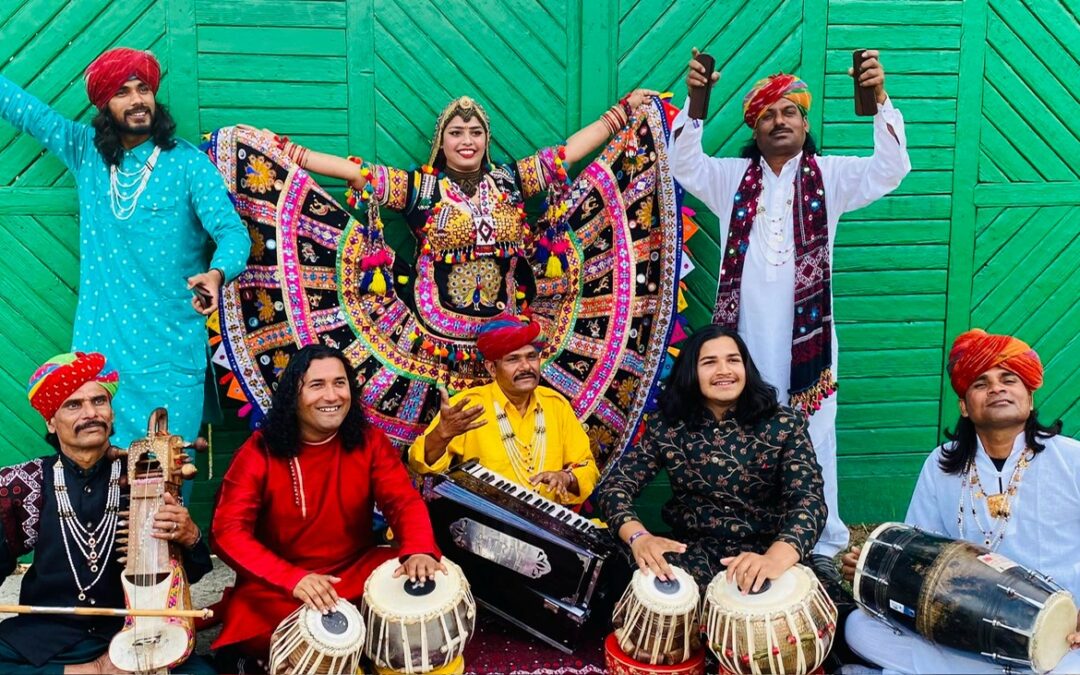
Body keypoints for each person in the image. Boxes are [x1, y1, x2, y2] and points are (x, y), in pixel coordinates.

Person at [204, 88, 684, 470]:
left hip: (508, 335)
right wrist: (279, 148)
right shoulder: (420, 189)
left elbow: (567, 154)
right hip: (435, 341)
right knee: (440, 439)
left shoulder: (513, 182)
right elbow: (354, 172)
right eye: (456, 132)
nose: (467, 140)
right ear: (442, 142)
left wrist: (622, 114)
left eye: (475, 131)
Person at [668, 50, 911, 564]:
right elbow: (682, 163)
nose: (779, 121)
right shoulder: (732, 177)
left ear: (804, 122)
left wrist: (880, 100)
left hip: (810, 346)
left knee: (814, 431)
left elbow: (892, 168)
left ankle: (820, 543)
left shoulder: (832, 176)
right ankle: (752, 535)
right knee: (743, 429)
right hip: (744, 340)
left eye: (789, 112)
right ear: (755, 129)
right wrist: (697, 101)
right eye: (767, 115)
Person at [0, 48, 250, 448]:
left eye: (143, 89)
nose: (137, 100)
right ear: (104, 106)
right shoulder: (86, 152)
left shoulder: (188, 165)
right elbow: (23, 109)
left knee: (165, 475)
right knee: (97, 469)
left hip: (170, 353)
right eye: (122, 92)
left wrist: (217, 273)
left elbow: (233, 233)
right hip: (101, 350)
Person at [842, 329, 1080, 673]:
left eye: (1008, 379)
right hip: (968, 628)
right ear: (965, 406)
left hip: (1061, 631)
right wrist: (872, 564)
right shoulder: (941, 465)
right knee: (859, 630)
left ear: (1029, 399)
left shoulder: (1071, 459)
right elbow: (918, 551)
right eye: (981, 383)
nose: (996, 388)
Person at [211, 344, 443, 668]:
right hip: (283, 587)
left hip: (353, 572)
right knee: (253, 610)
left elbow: (402, 500)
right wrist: (293, 579)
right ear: (294, 395)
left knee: (416, 572)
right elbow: (227, 532)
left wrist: (417, 548)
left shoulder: (369, 440)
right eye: (317, 385)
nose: (332, 396)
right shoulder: (259, 451)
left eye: (340, 383)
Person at [0, 352, 213, 674]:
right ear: (50, 421)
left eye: (99, 401)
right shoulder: (24, 483)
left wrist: (191, 537)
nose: (90, 413)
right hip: (46, 636)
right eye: (74, 405)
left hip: (134, 631)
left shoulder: (147, 475)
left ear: (111, 413)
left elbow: (191, 573)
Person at [409, 313, 599, 505]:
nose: (526, 366)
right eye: (513, 359)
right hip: (484, 526)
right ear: (492, 368)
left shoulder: (556, 405)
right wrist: (441, 435)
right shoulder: (469, 406)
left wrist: (567, 477)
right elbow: (421, 465)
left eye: (531, 357)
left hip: (548, 527)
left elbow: (588, 467)